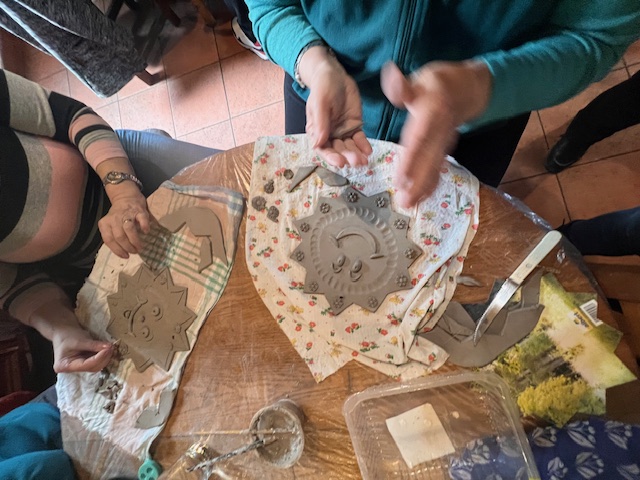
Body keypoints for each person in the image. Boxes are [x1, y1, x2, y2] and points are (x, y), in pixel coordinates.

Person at [244, 1, 640, 209]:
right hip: (319, 99)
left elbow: (594, 36)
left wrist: (482, 85)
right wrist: (313, 64)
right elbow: (270, 4)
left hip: (478, 123)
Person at [0, 68, 220, 383]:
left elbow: (72, 116)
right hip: (93, 264)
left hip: (118, 168)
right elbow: (14, 285)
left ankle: (153, 143)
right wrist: (61, 329)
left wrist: (124, 196)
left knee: (241, 187)